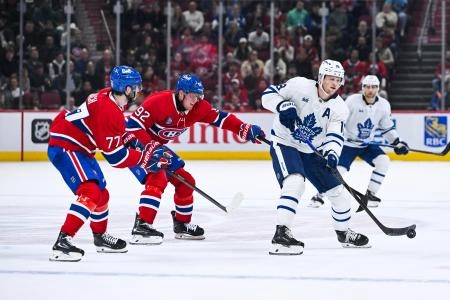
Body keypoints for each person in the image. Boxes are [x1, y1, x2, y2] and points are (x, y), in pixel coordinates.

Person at [47, 65, 170, 262]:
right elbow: (115, 157)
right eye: (135, 87)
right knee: (90, 191)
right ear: (127, 89)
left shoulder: (108, 97)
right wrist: (144, 158)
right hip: (66, 145)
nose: (138, 91)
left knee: (102, 195)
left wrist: (130, 139)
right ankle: (63, 242)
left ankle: (100, 237)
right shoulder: (110, 111)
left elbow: (112, 132)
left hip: (80, 147)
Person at [125, 74, 265, 244]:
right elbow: (131, 128)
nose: (196, 101)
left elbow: (221, 119)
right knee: (157, 177)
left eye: (199, 96)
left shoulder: (198, 108)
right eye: (193, 96)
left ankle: (182, 225)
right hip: (134, 146)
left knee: (186, 181)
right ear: (181, 94)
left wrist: (244, 128)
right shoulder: (157, 102)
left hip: (156, 147)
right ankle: (142, 226)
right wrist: (149, 148)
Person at [261, 59, 370, 255]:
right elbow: (268, 95)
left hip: (312, 151)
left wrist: (331, 154)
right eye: (330, 79)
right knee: (295, 182)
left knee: (339, 193)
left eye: (338, 80)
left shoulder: (340, 108)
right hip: (285, 143)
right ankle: (281, 234)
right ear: (320, 78)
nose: (334, 84)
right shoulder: (299, 85)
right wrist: (283, 105)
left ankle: (343, 233)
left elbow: (335, 135)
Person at [309, 75, 409, 208]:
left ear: (378, 88)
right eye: (367, 87)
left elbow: (387, 127)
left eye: (374, 87)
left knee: (383, 161)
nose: (370, 90)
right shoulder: (352, 101)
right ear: (362, 88)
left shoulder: (384, 105)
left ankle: (370, 194)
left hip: (366, 144)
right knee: (337, 171)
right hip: (347, 144)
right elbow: (340, 119)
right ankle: (319, 195)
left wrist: (397, 142)